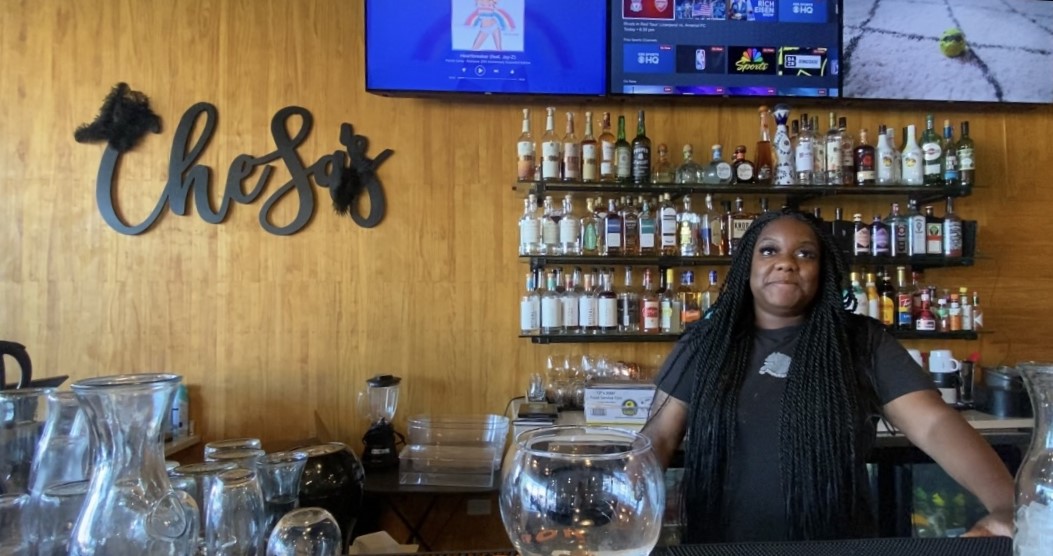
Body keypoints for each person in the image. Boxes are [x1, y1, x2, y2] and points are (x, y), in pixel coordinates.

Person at [642, 208, 1014, 543]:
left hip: (837, 544)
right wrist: (615, 519)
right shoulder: (706, 343)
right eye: (769, 250)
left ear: (825, 271)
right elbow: (657, 438)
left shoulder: (861, 341)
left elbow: (934, 424)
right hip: (721, 546)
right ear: (746, 266)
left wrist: (1011, 505)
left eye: (805, 254)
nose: (786, 263)